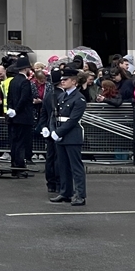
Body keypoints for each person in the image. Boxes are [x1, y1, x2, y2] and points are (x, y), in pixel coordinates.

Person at [49, 67, 87, 206]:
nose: (62, 82)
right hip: (61, 135)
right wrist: (52, 130)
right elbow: (55, 115)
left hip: (72, 136)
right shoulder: (61, 96)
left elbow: (73, 120)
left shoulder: (79, 98)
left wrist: (58, 133)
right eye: (62, 80)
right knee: (62, 166)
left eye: (66, 80)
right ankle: (66, 192)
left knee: (76, 167)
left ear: (74, 81)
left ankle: (80, 195)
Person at [6, 55, 35, 177]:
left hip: (14, 116)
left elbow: (10, 97)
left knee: (14, 142)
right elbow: (24, 99)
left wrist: (11, 110)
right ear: (25, 68)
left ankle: (14, 166)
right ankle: (20, 167)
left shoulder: (13, 81)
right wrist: (17, 110)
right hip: (23, 117)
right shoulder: (25, 82)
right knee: (22, 143)